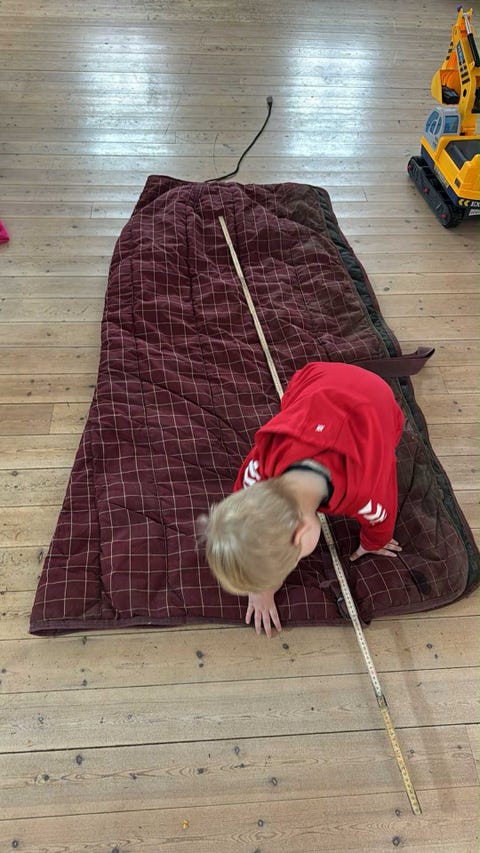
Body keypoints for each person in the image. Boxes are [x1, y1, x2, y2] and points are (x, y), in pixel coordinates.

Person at [204, 361, 404, 637]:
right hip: (316, 376)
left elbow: (383, 512)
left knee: (388, 438)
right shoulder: (261, 466)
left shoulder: (365, 491)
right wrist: (262, 589)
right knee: (293, 407)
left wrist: (375, 542)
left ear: (302, 534)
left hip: (377, 397)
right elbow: (241, 502)